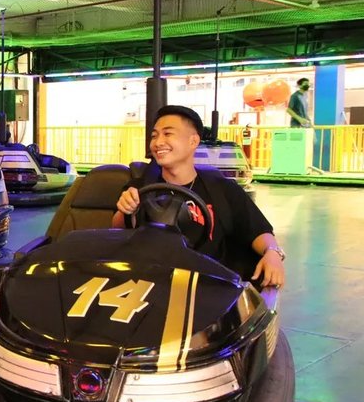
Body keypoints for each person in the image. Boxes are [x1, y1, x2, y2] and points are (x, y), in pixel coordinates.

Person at [112, 105, 286, 288]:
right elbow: (116, 230)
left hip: (209, 285)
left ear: (193, 141)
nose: (157, 142)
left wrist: (273, 253)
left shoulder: (223, 189)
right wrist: (126, 208)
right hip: (151, 283)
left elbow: (257, 230)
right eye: (154, 136)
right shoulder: (141, 188)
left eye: (168, 134)